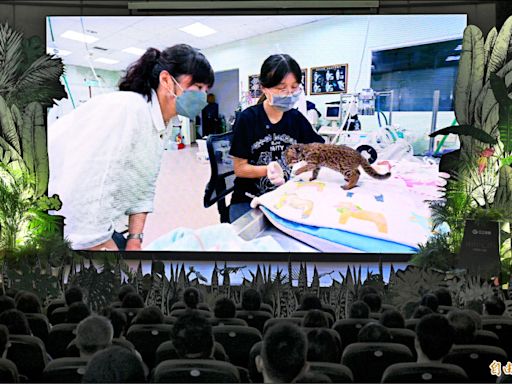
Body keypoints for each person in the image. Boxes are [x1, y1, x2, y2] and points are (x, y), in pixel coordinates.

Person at [48, 44, 214, 250]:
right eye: (198, 87)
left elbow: (145, 184)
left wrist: (135, 238)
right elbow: (85, 197)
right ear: (166, 81)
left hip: (104, 226)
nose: (203, 97)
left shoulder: (164, 124)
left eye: (206, 91)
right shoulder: (126, 110)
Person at [229, 54, 324, 222]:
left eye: (294, 87)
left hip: (286, 195)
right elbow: (240, 168)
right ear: (264, 88)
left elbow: (320, 149)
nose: (289, 94)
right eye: (281, 88)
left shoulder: (296, 118)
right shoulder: (248, 119)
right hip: (249, 199)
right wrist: (268, 170)